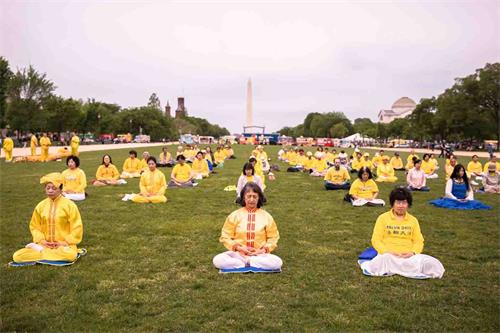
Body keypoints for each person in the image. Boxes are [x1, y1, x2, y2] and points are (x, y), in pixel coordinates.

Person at [359, 187, 445, 279]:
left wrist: (413, 253)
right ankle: (404, 269)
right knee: (383, 260)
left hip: (408, 257)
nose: (401, 206)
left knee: (433, 264)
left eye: (404, 202)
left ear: (408, 204)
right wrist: (387, 251)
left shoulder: (413, 220)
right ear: (393, 204)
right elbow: (376, 239)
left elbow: (419, 241)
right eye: (398, 202)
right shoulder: (382, 218)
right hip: (389, 256)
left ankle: (398, 268)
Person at [11, 173, 84, 266]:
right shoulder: (41, 206)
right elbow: (34, 226)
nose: (50, 191)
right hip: (44, 244)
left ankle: (41, 251)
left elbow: (77, 228)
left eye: (54, 188)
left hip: (63, 246)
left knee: (70, 255)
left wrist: (64, 242)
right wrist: (42, 241)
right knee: (17, 256)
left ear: (61, 189)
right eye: (48, 188)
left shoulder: (70, 205)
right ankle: (44, 251)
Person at [212, 182, 282, 271]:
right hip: (238, 254)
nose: (251, 199)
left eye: (254, 196)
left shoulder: (266, 216)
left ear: (259, 198)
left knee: (277, 262)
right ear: (244, 197)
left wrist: (262, 250)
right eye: (249, 196)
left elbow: (273, 237)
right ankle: (248, 262)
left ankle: (247, 262)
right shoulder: (235, 215)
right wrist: (239, 248)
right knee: (218, 260)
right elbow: (225, 236)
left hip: (259, 254)